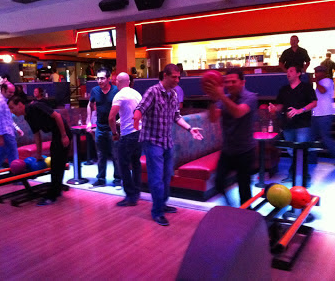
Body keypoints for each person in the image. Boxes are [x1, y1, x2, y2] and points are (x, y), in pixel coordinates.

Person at [134, 64, 203, 226]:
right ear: (165, 75)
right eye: (174, 77)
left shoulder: (173, 94)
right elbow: (140, 108)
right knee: (156, 178)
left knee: (166, 176)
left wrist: (190, 128)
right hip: (152, 142)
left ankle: (162, 204)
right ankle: (157, 211)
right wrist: (136, 119)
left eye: (179, 77)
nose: (177, 80)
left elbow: (176, 116)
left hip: (167, 141)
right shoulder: (153, 92)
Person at [204, 68, 258, 205]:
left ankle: (247, 218)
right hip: (227, 151)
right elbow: (212, 118)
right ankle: (231, 208)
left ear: (243, 82)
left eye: (233, 81)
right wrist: (212, 100)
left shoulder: (250, 97)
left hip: (245, 152)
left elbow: (238, 112)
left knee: (244, 191)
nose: (229, 84)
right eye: (227, 82)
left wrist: (221, 96)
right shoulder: (224, 99)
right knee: (219, 183)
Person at [8, 96, 72, 205]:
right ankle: (56, 190)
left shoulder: (36, 106)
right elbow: (37, 135)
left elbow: (57, 116)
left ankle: (53, 195)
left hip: (62, 133)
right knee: (57, 164)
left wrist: (64, 135)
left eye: (12, 108)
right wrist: (38, 155)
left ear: (20, 104)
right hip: (56, 134)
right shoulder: (27, 116)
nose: (11, 111)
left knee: (57, 164)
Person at [269, 66, 317, 184]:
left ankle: (303, 176)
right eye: (287, 71)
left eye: (291, 71)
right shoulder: (284, 89)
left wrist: (300, 110)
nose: (288, 73)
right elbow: (280, 105)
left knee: (300, 150)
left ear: (298, 73)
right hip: (288, 124)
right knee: (291, 151)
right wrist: (275, 109)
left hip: (303, 124)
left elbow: (314, 102)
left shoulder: (306, 87)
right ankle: (296, 174)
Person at [108, 72, 143, 206]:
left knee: (122, 164)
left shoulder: (119, 95)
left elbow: (111, 118)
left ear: (118, 82)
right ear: (129, 82)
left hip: (128, 134)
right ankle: (137, 192)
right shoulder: (137, 94)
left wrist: (114, 133)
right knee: (136, 163)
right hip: (139, 132)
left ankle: (130, 196)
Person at [86, 68, 121, 187]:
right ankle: (101, 179)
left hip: (113, 128)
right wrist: (89, 121)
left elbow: (123, 105)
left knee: (116, 154)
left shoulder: (116, 90)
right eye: (98, 78)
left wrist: (121, 119)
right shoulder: (95, 91)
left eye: (102, 78)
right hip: (100, 128)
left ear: (108, 79)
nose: (99, 81)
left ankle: (117, 180)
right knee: (101, 155)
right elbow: (90, 105)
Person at [0, 82, 24, 172]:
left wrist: (17, 128)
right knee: (13, 155)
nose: (12, 95)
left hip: (8, 131)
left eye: (13, 92)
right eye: (10, 92)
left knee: (1, 155)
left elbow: (8, 118)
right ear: (3, 90)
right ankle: (16, 177)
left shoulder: (5, 100)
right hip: (4, 133)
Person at [311, 65, 335, 160]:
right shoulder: (320, 82)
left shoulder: (328, 81)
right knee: (312, 138)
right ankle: (311, 160)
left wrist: (316, 81)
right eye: (315, 72)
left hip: (325, 115)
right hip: (316, 114)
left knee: (325, 138)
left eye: (318, 72)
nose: (316, 74)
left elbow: (322, 91)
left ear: (323, 73)